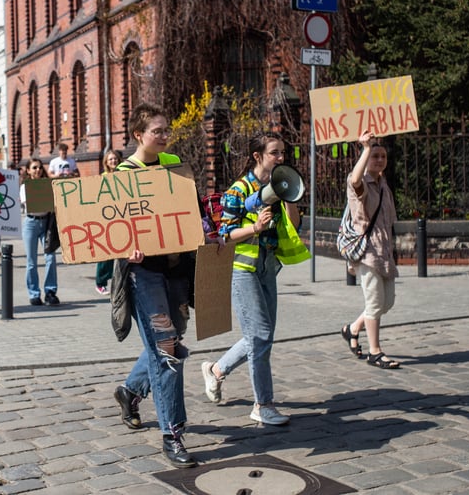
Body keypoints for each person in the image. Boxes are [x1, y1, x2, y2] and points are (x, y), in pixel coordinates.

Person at [200, 131, 309, 426]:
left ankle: (217, 370)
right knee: (260, 336)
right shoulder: (238, 190)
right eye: (275, 153)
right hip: (243, 269)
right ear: (258, 156)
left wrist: (290, 199)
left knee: (261, 337)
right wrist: (254, 229)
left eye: (283, 153)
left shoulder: (277, 186)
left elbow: (296, 224)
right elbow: (225, 234)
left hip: (268, 267)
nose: (281, 158)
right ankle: (263, 404)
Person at [110, 104, 197, 468]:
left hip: (176, 266)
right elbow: (108, 229)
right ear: (138, 135)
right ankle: (172, 434)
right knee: (167, 351)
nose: (164, 136)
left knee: (171, 340)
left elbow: (188, 210)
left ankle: (130, 391)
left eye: (166, 130)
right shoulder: (122, 174)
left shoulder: (173, 163)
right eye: (157, 131)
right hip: (143, 272)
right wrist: (122, 247)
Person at [340, 130, 401, 369]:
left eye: (382, 156)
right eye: (375, 156)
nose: (379, 160)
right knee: (375, 302)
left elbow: (388, 221)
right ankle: (375, 351)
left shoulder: (384, 185)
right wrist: (365, 148)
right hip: (367, 251)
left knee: (387, 302)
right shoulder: (361, 182)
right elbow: (354, 181)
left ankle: (352, 329)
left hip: (383, 250)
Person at [19, 158, 60, 306]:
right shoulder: (25, 187)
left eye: (39, 168)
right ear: (28, 171)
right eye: (34, 168)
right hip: (31, 223)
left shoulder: (48, 185)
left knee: (50, 257)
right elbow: (28, 202)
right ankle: (34, 293)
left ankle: (50, 292)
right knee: (31, 261)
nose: (38, 170)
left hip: (46, 223)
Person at [94, 149, 123, 295]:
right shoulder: (102, 178)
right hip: (107, 217)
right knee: (106, 252)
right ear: (106, 162)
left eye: (115, 159)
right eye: (110, 159)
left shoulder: (124, 175)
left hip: (122, 216)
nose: (113, 161)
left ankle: (121, 282)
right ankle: (100, 282)